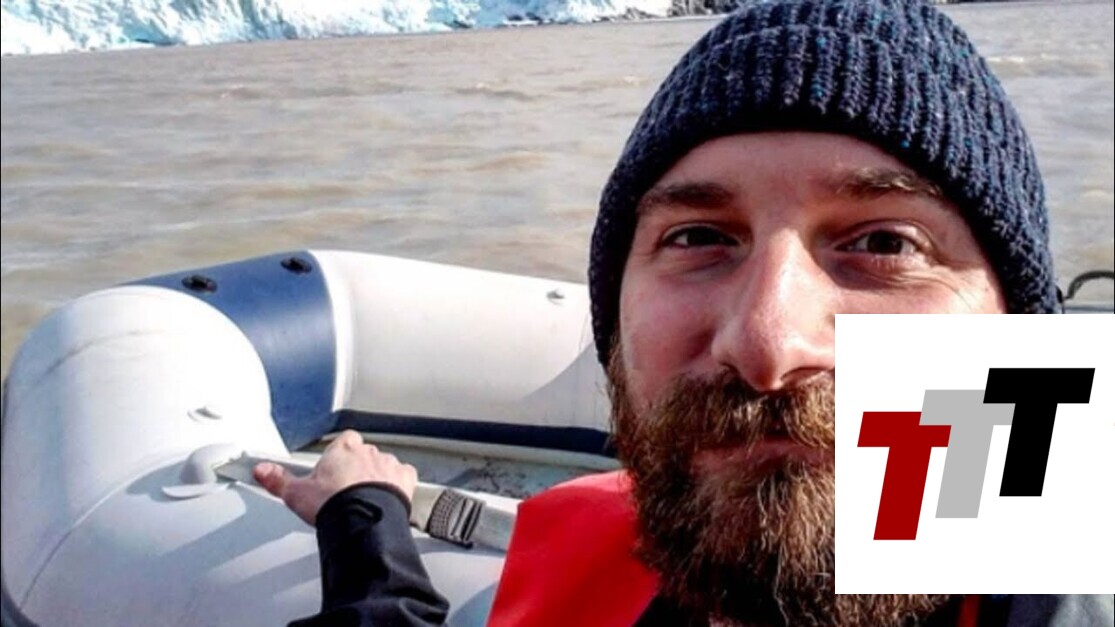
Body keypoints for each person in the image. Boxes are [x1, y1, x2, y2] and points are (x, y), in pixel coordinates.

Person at [255, 1, 1113, 625]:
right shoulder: (601, 548)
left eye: (885, 243)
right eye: (698, 235)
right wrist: (363, 519)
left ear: (1023, 334)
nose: (766, 341)